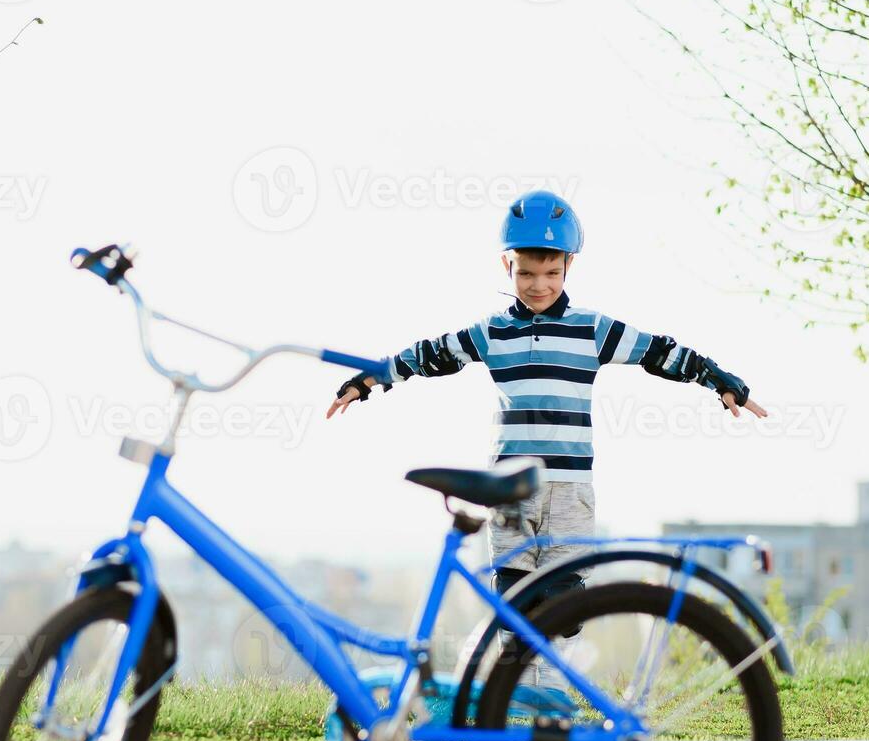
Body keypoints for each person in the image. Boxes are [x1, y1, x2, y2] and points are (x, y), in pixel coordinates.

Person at [326, 190, 768, 610]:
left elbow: (660, 352)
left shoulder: (591, 329)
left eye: (551, 273)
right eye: (526, 274)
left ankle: (551, 686)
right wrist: (373, 378)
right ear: (507, 265)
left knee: (562, 606)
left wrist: (716, 378)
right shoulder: (491, 331)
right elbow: (431, 354)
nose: (539, 286)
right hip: (511, 487)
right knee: (514, 603)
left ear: (568, 265)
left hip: (570, 489)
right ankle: (513, 692)